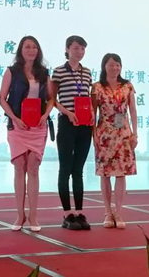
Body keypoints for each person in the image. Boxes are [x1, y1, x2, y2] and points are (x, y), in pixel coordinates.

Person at [0, 36, 54, 232]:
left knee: (34, 168)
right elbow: (2, 98)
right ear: (20, 50)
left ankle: (33, 216)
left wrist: (45, 115)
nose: (31, 50)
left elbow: (51, 99)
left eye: (34, 47)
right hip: (18, 126)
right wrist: (14, 118)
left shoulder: (44, 73)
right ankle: (20, 215)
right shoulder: (12, 71)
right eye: (27, 47)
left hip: (38, 126)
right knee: (19, 167)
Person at [91, 53, 138, 229]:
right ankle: (107, 212)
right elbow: (93, 113)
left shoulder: (127, 86)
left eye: (117, 64)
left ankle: (118, 212)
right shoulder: (97, 87)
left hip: (123, 133)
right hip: (104, 133)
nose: (114, 68)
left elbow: (132, 110)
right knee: (105, 174)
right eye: (111, 64)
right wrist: (94, 135)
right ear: (104, 66)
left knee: (121, 173)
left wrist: (135, 134)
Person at [51, 35, 93, 231]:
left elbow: (87, 98)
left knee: (78, 170)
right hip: (67, 123)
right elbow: (52, 99)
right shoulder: (59, 71)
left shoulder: (87, 72)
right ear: (67, 49)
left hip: (84, 125)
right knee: (65, 168)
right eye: (76, 48)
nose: (80, 52)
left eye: (83, 48)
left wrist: (91, 113)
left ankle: (79, 212)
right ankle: (67, 214)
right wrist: (68, 113)